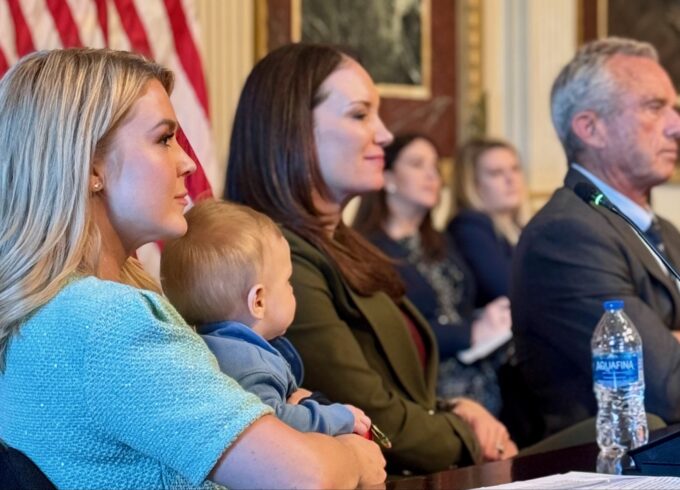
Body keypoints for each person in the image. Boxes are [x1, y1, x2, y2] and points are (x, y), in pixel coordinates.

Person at [0, 47, 385, 489]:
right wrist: (354, 457)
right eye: (164, 139)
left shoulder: (42, 310)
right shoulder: (108, 321)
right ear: (91, 167)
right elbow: (304, 477)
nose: (187, 162)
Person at [224, 43, 518, 474]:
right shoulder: (278, 262)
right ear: (294, 130)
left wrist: (456, 407)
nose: (383, 134)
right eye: (360, 115)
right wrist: (469, 435)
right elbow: (367, 414)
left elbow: (394, 384)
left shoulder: (343, 243)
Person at [511, 37, 680, 441]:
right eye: (654, 107)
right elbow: (668, 389)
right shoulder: (566, 235)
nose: (676, 124)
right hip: (605, 465)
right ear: (590, 128)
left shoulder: (664, 231)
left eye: (673, 107)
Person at [160, 199, 371, 437]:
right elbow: (274, 427)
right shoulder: (248, 366)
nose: (292, 290)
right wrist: (338, 417)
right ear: (258, 301)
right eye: (287, 281)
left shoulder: (209, 349)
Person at [353, 133, 512, 416]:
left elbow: (461, 304)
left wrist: (487, 319)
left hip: (485, 385)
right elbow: (387, 333)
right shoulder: (367, 249)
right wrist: (468, 333)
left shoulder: (442, 241)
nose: (431, 175)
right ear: (388, 177)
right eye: (417, 164)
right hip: (426, 395)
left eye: (436, 166)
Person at [448, 138, 530, 306]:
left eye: (515, 169)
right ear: (473, 184)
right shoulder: (469, 227)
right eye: (496, 173)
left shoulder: (520, 227)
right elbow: (507, 289)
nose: (511, 179)